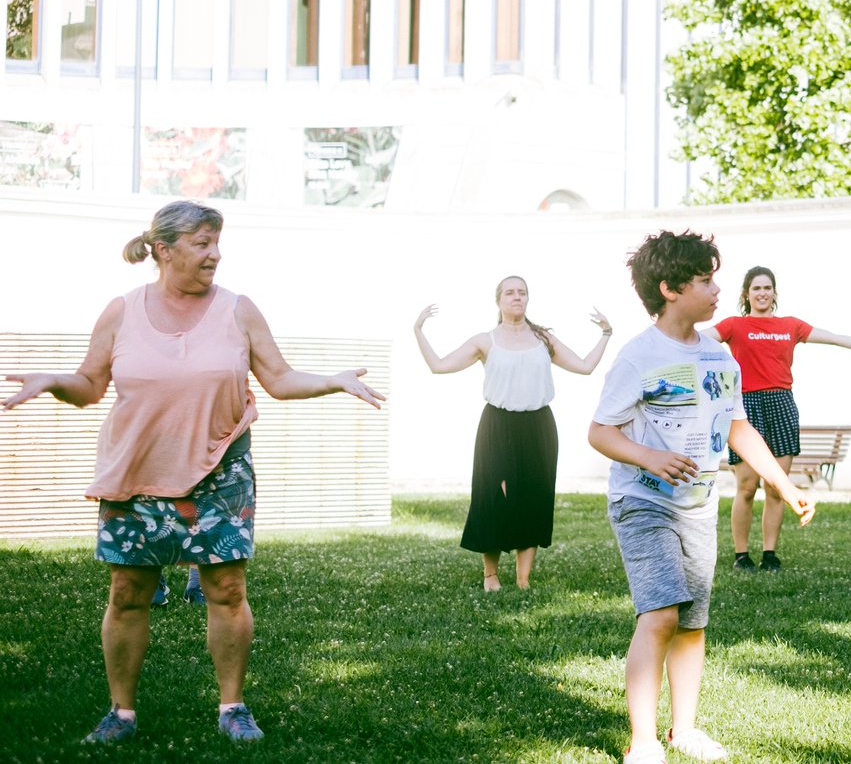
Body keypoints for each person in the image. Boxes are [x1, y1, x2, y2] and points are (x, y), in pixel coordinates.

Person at [2, 200, 383, 746]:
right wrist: (56, 382)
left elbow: (277, 377)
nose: (215, 254)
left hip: (220, 468)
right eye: (202, 244)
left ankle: (232, 706)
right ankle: (121, 713)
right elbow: (89, 384)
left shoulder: (238, 310)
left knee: (227, 588)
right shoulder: (122, 311)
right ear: (164, 250)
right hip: (139, 468)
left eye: (216, 243)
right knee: (128, 592)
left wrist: (333, 380)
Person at [589, 229, 815, 764]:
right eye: (704, 280)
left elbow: (738, 427)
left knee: (692, 622)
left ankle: (683, 731)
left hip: (696, 504)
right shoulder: (638, 356)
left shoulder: (718, 356)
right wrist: (650, 457)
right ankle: (642, 743)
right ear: (669, 288)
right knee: (662, 613)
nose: (717, 289)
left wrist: (784, 484)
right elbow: (600, 432)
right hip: (642, 502)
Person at [413, 276, 613, 590]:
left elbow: (585, 366)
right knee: (494, 497)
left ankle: (523, 579)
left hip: (538, 425)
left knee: (534, 497)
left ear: (528, 299)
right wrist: (418, 331)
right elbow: (439, 366)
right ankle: (490, 575)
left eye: (522, 292)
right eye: (509, 292)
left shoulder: (543, 339)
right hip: (497, 424)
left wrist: (606, 334)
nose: (516, 297)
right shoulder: (485, 340)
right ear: (499, 301)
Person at [707, 266, 851, 572]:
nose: (762, 293)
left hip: (781, 404)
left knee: (777, 486)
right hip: (745, 406)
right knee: (746, 486)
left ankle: (770, 554)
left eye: (767, 288)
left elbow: (835, 338)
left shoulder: (791, 325)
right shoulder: (734, 325)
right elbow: (697, 337)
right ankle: (741, 555)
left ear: (774, 293)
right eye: (756, 288)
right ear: (746, 294)